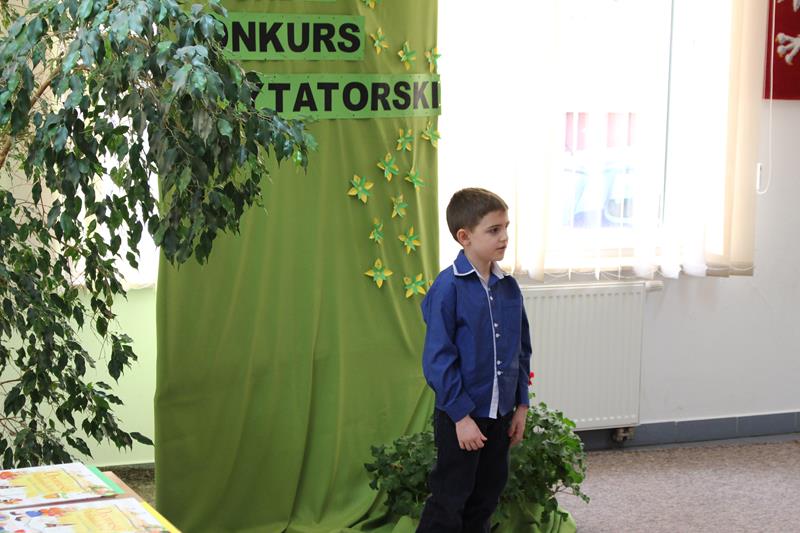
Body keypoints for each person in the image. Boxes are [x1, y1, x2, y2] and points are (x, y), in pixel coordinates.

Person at [417, 188, 532, 532]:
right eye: (494, 230)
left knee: (486, 497)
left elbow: (521, 349)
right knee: (450, 498)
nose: (504, 237)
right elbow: (438, 359)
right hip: (463, 416)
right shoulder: (447, 288)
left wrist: (521, 406)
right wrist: (461, 417)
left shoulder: (508, 287)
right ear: (464, 237)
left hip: (500, 414)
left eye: (506, 227)